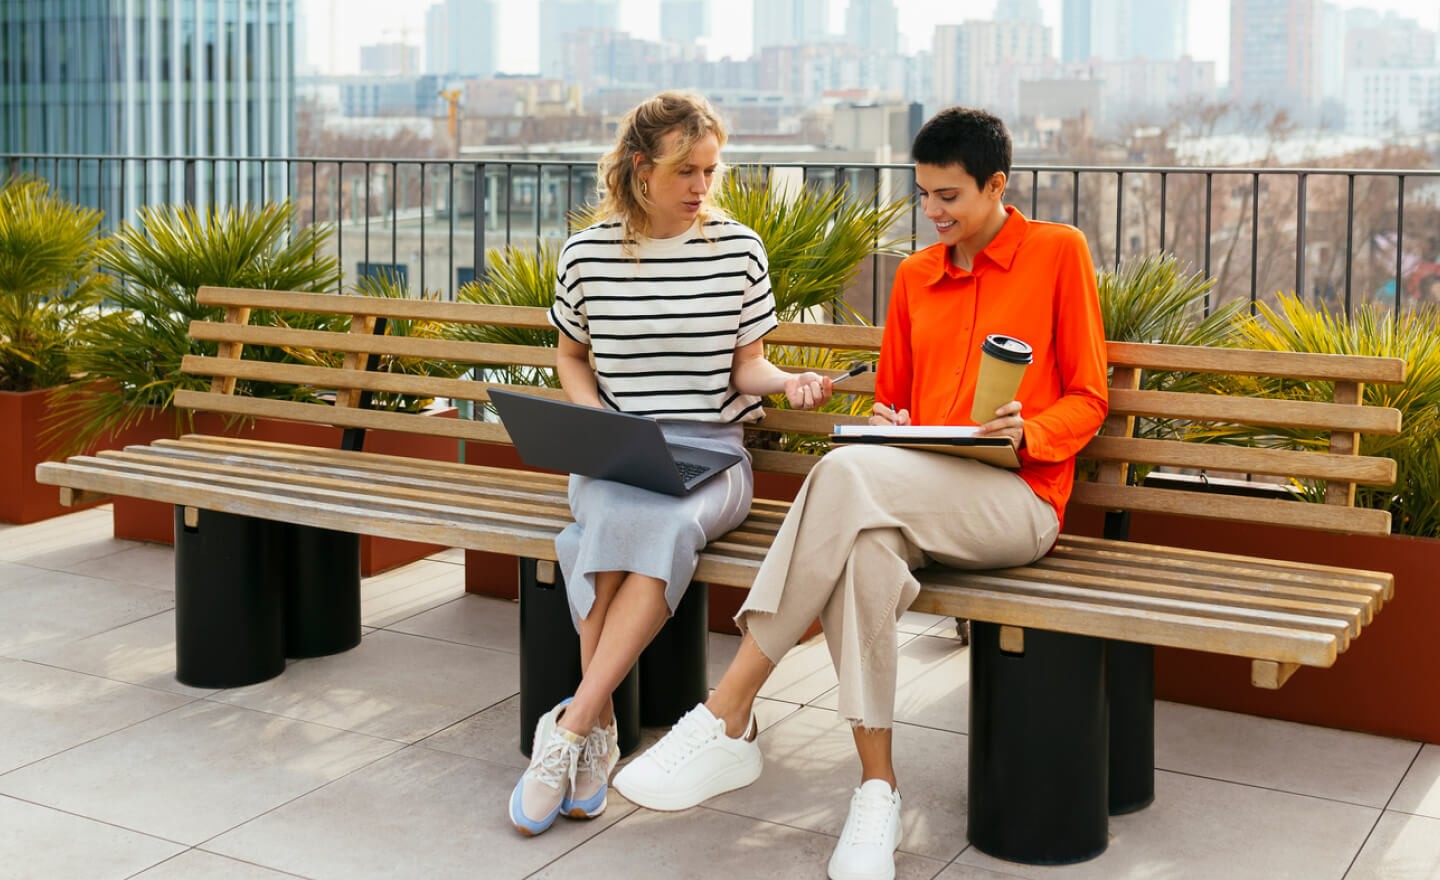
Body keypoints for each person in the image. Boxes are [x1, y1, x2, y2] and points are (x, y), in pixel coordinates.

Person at [610, 106, 1110, 880]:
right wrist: (889, 421)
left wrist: (1029, 431)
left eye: (949, 197)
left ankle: (728, 710)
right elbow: (896, 403)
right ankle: (877, 792)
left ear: (997, 185)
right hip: (908, 498)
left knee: (843, 476)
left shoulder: (1057, 254)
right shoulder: (916, 278)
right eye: (924, 196)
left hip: (1017, 502)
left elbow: (1089, 396)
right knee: (866, 554)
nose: (934, 212)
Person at [508, 91, 836, 836]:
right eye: (685, 171)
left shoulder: (737, 250)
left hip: (713, 460)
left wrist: (787, 382)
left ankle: (571, 728)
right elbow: (569, 355)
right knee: (622, 513)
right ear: (639, 169)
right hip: (617, 451)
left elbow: (747, 368)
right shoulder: (586, 254)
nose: (700, 188)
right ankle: (594, 740)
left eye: (710, 172)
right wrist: (594, 424)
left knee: (647, 527)